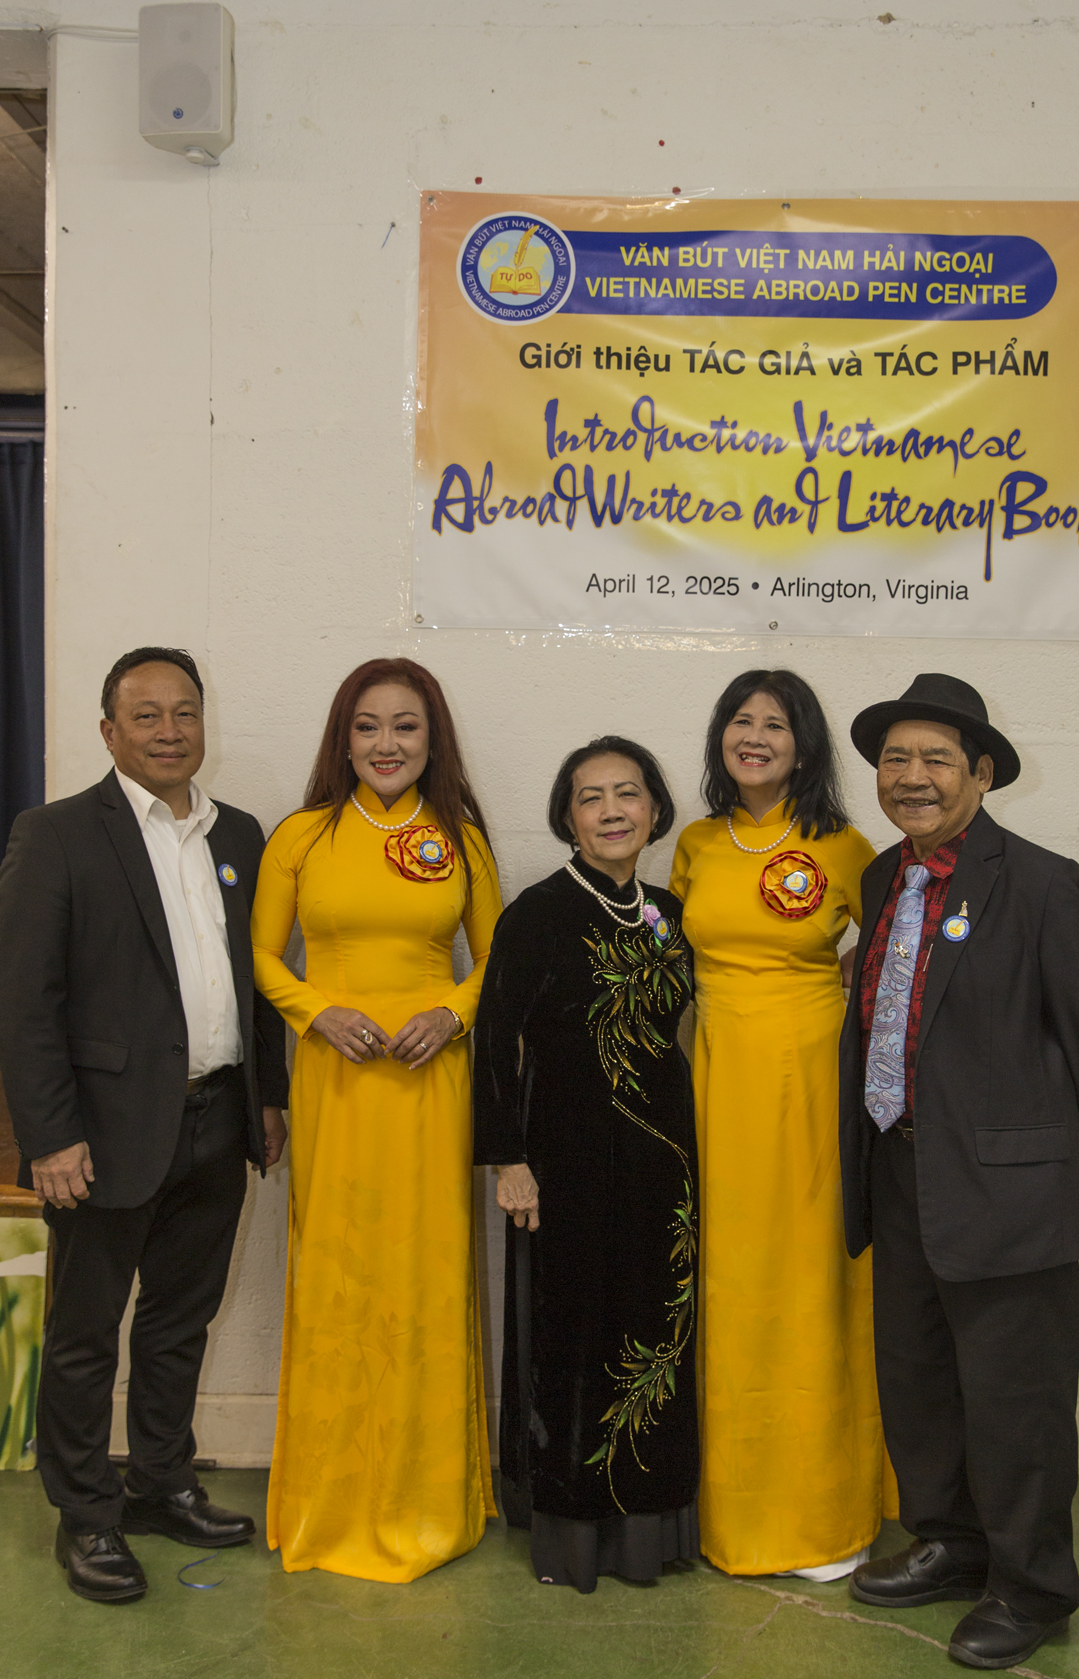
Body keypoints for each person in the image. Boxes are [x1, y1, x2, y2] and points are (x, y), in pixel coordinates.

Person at [839, 673, 1079, 1671]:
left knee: (1017, 1405)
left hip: (1009, 1192)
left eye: (935, 759)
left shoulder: (1042, 882)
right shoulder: (882, 879)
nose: (911, 777)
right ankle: (952, 1545)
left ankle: (1031, 1587)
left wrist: (1032, 1154)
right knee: (920, 1383)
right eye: (895, 759)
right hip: (899, 1172)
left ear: (982, 774)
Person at [0, 647, 288, 1604]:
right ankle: (86, 1515)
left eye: (185, 713)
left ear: (205, 722)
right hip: (102, 1135)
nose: (170, 731)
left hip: (219, 1119)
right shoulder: (56, 834)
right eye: (147, 715)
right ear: (109, 730)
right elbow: (25, 1003)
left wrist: (268, 1098)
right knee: (86, 1335)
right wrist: (49, 1136)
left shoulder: (237, 833)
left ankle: (161, 1482)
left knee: (178, 1323)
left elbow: (255, 981)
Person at [250, 657, 501, 1583]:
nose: (386, 744)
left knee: (427, 1272)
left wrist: (455, 1014)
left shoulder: (461, 839)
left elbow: (497, 960)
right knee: (339, 1273)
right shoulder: (301, 836)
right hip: (338, 1081)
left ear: (433, 739)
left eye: (405, 726)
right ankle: (333, 1498)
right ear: (342, 739)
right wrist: (317, 1012)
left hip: (432, 1084)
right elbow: (261, 957)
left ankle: (427, 1499)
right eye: (367, 726)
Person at [668, 670, 894, 1578]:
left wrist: (837, 983)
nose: (754, 736)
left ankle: (821, 1512)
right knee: (726, 1280)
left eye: (776, 723)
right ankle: (727, 1505)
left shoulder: (843, 845)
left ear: (805, 747)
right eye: (740, 720)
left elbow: (889, 953)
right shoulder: (693, 843)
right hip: (715, 1079)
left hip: (808, 1085)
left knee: (808, 1281)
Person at [473, 736, 699, 1593]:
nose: (611, 811)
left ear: (654, 809)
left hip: (662, 1165)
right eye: (590, 797)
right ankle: (572, 1532)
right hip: (562, 1164)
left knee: (656, 1331)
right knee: (572, 1341)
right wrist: (507, 1159)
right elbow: (495, 1039)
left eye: (627, 793)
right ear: (567, 818)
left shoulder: (668, 912)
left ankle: (653, 1524)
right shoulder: (536, 912)